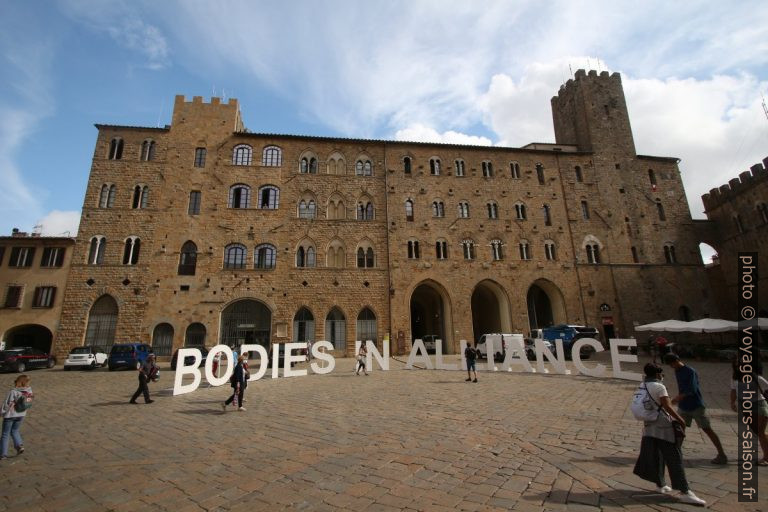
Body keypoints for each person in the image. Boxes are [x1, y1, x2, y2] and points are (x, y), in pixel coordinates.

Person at [633, 363, 706, 506]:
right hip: (663, 425)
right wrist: (680, 420)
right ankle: (685, 491)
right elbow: (667, 406)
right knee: (674, 457)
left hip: (649, 425)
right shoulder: (659, 386)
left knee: (656, 454)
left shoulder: (642, 385)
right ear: (658, 374)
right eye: (662, 374)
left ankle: (660, 484)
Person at [664, 353, 727, 465]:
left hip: (696, 405)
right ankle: (676, 454)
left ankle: (721, 454)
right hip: (684, 406)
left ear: (676, 361)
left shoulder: (690, 371)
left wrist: (675, 400)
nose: (672, 367)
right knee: (679, 429)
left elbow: (691, 390)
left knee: (707, 429)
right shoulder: (677, 371)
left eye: (672, 364)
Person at [730, 360, 768, 465]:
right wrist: (732, 402)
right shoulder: (735, 379)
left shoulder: (757, 378)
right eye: (736, 366)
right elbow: (733, 390)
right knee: (758, 432)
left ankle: (766, 458)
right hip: (746, 408)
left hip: (759, 406)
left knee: (760, 432)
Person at [1, 375, 33, 460]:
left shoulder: (13, 391)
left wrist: (2, 413)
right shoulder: (29, 391)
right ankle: (19, 445)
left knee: (5, 434)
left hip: (10, 415)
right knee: (15, 430)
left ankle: (3, 454)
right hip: (21, 414)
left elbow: (6, 404)